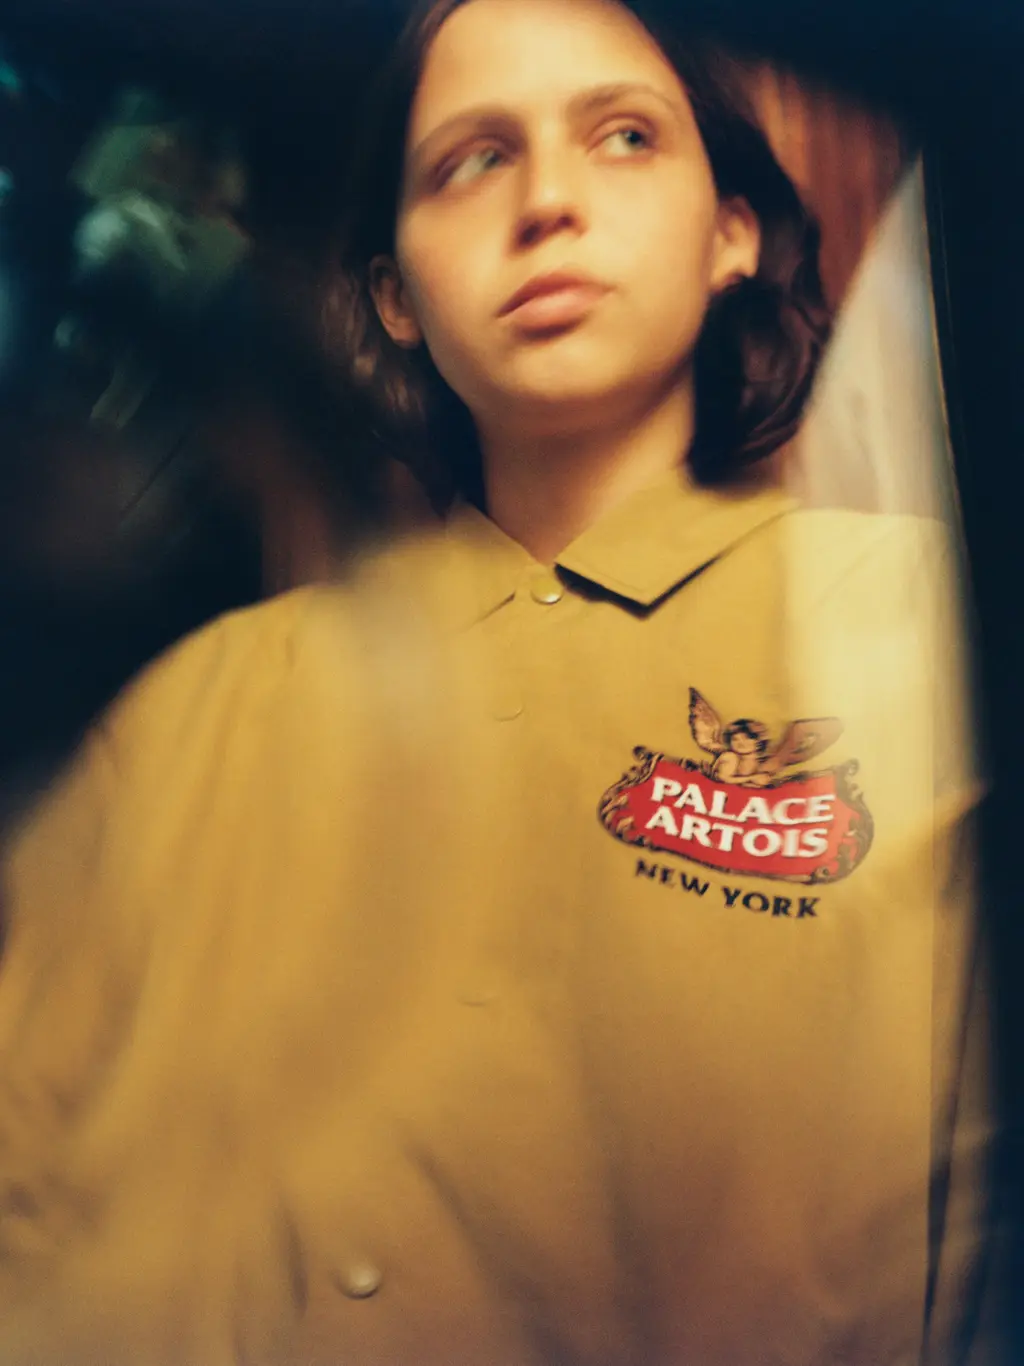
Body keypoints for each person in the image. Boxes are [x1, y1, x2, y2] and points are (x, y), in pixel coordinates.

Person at [0, 1, 990, 1363]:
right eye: (472, 160)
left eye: (624, 137)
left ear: (733, 233)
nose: (547, 203)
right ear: (394, 295)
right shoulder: (190, 712)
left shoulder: (928, 630)